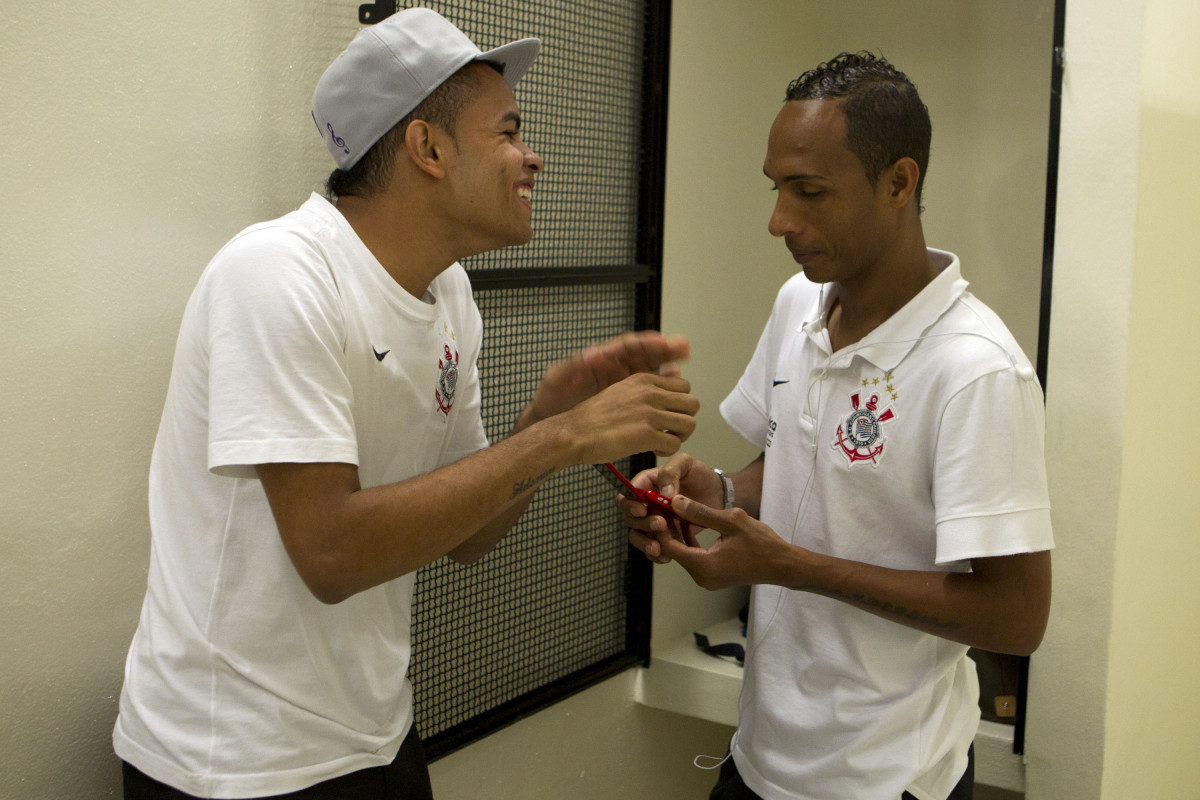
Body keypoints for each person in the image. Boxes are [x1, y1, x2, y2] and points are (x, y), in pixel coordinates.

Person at [113, 8, 698, 799]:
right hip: (235, 762)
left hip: (375, 738)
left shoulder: (450, 292)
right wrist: (555, 443)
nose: (534, 158)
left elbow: (467, 536)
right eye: (509, 132)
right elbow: (330, 554)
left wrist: (549, 418)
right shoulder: (278, 274)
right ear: (427, 147)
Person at [624, 52, 1053, 800]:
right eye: (777, 188)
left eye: (810, 192)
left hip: (884, 778)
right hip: (761, 753)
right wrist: (717, 490)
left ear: (899, 183)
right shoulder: (801, 301)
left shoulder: (976, 370)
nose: (779, 220)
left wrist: (792, 567)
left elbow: (1016, 617)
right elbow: (798, 470)